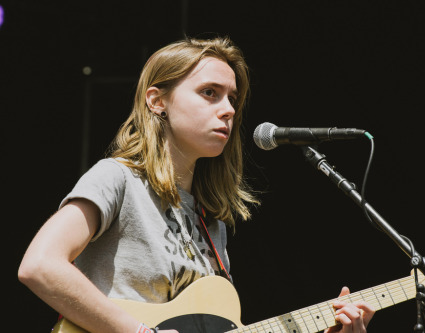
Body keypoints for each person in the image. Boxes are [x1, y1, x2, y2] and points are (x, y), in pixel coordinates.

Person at [18, 36, 375, 333]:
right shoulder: (118, 177)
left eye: (232, 98)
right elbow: (40, 265)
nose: (229, 109)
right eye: (209, 93)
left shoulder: (212, 223)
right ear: (157, 101)